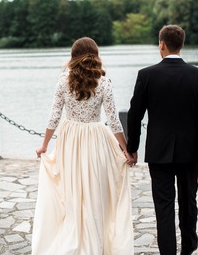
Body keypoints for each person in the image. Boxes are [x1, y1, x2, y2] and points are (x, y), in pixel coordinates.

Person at [31, 37, 135, 255]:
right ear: (96, 55)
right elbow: (113, 120)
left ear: (73, 55)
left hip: (70, 138)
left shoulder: (63, 80)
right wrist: (125, 148)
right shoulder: (104, 82)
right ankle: (94, 242)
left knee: (72, 190)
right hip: (95, 138)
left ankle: (76, 236)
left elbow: (54, 117)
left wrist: (44, 145)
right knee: (94, 190)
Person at [126, 25, 198, 255]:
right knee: (188, 204)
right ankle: (188, 248)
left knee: (163, 207)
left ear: (162, 44)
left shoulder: (146, 75)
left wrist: (131, 147)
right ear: (181, 45)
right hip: (190, 153)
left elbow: (135, 115)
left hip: (158, 152)